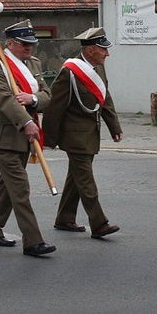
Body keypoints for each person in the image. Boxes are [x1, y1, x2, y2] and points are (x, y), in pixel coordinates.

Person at [0, 20, 56, 257]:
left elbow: (46, 94)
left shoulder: (33, 63)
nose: (29, 48)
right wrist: (26, 122)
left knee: (7, 187)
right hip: (4, 136)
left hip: (26, 136)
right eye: (24, 44)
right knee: (19, 187)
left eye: (32, 44)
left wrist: (33, 100)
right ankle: (33, 241)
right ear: (10, 43)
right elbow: (3, 98)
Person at [43, 27, 122, 239]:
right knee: (86, 180)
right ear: (89, 50)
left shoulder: (98, 69)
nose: (107, 54)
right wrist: (48, 138)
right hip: (74, 136)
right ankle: (99, 223)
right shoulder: (69, 72)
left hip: (90, 134)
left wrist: (114, 127)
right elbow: (54, 106)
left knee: (75, 178)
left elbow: (105, 98)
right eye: (103, 49)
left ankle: (64, 218)